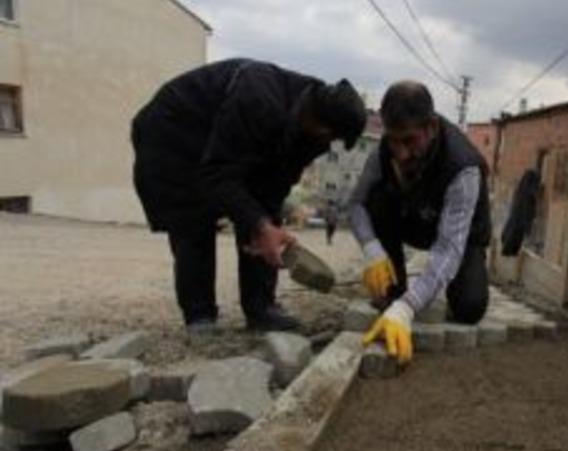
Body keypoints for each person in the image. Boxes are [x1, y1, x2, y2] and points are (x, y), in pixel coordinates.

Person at [131, 58, 366, 331]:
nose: (329, 141)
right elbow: (217, 173)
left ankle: (261, 308)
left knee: (261, 216)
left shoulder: (312, 133)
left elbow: (272, 190)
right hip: (174, 132)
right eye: (330, 134)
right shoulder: (259, 98)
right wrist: (259, 223)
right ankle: (200, 316)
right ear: (319, 120)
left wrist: (263, 226)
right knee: (193, 218)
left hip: (222, 138)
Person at [348, 80, 491, 364]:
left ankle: (411, 299)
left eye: (409, 141)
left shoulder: (463, 167)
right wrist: (371, 249)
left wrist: (408, 309)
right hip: (414, 219)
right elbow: (356, 204)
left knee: (470, 308)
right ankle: (395, 286)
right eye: (393, 140)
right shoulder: (385, 153)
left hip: (461, 237)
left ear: (432, 127)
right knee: (377, 200)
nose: (400, 153)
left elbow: (448, 249)